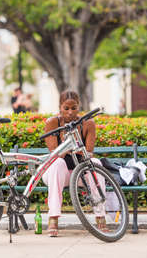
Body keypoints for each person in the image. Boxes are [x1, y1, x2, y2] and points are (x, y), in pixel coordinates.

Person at [42, 90, 106, 237]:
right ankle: (53, 218)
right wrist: (66, 145)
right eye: (66, 108)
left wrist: (75, 148)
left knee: (96, 163)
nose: (70, 112)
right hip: (57, 174)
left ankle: (100, 215)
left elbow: (89, 152)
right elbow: (54, 154)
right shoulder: (52, 123)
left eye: (74, 108)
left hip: (79, 174)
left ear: (79, 107)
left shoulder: (88, 123)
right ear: (60, 107)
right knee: (58, 163)